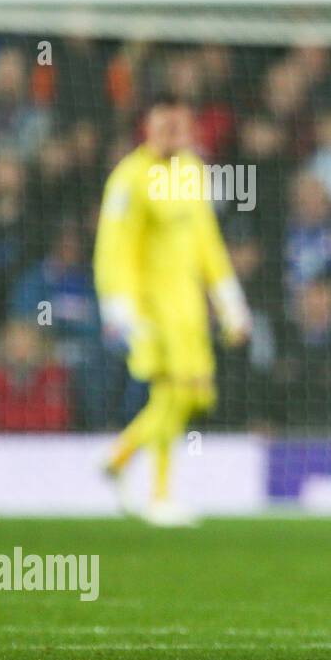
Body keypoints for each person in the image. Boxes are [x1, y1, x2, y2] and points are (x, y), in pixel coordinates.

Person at [95, 94, 249, 526]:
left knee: (191, 394)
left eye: (179, 126)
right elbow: (113, 249)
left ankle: (120, 455)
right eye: (163, 126)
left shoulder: (193, 172)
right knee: (171, 393)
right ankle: (160, 495)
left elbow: (207, 244)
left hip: (188, 309)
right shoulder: (128, 179)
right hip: (147, 308)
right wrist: (118, 307)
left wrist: (230, 303)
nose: (172, 134)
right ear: (147, 127)